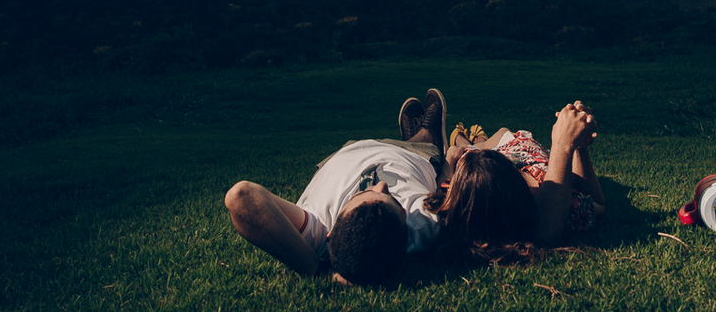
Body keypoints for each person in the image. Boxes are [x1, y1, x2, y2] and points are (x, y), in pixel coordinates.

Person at [224, 88, 448, 286]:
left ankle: (414, 133)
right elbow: (449, 183)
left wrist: (318, 270)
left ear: (331, 234)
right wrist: (450, 161)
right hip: (411, 156)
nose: (380, 185)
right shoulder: (424, 225)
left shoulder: (318, 229)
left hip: (350, 151)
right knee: (424, 141)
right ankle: (429, 133)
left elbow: (241, 196)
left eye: (364, 193)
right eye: (393, 199)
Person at [424, 100, 605, 264]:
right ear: (517, 187)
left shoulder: (467, 196)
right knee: (503, 133)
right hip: (520, 150)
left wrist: (449, 158)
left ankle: (463, 140)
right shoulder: (561, 204)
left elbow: (440, 191)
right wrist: (572, 146)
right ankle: (474, 140)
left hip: (483, 162)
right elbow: (598, 204)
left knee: (465, 150)